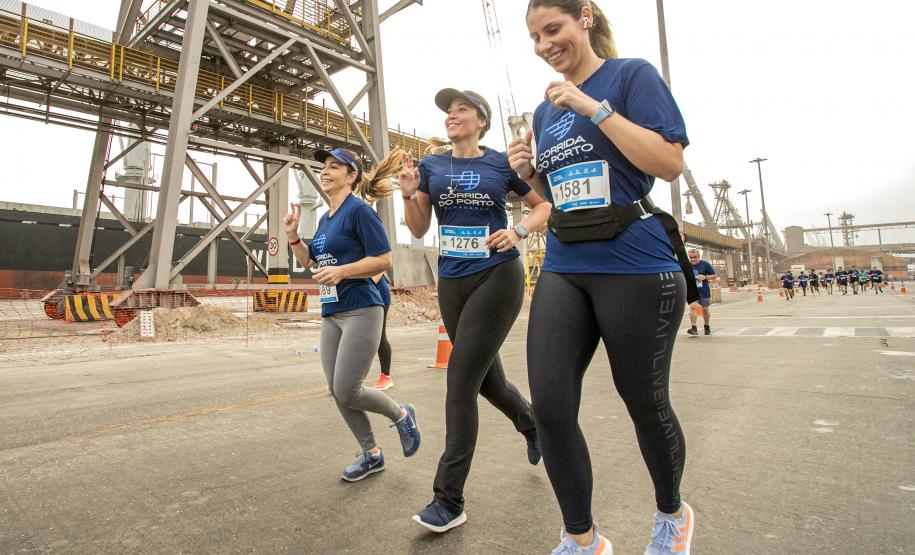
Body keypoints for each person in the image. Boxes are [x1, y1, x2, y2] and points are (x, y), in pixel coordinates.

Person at [514, 1, 699, 553]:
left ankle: (672, 514)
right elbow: (559, 195)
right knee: (549, 407)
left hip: (635, 264)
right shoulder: (546, 112)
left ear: (585, 18)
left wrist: (596, 110)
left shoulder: (631, 75)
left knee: (644, 402)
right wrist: (527, 173)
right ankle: (583, 538)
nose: (546, 45)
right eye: (535, 38)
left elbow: (668, 164)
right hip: (566, 264)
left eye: (554, 29)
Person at [399, 87, 552, 533]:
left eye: (461, 109)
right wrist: (409, 195)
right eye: (448, 111)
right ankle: (532, 423)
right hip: (452, 280)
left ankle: (448, 499)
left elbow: (542, 206)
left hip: (498, 275)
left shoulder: (502, 163)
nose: (452, 115)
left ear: (481, 121)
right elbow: (420, 226)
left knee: (460, 379)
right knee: (489, 380)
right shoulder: (430, 166)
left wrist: (518, 231)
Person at [285, 147, 421, 482]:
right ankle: (372, 454)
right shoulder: (326, 218)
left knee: (349, 389)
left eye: (335, 167)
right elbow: (311, 262)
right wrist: (293, 237)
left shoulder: (359, 212)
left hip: (362, 309)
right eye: (324, 167)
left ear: (351, 176)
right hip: (332, 312)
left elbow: (385, 259)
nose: (326, 171)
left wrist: (343, 272)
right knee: (337, 389)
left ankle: (402, 415)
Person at [371, 272, 394, 390]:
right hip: (359, 296)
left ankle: (386, 376)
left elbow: (380, 268)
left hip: (378, 294)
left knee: (379, 335)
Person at [686, 249, 716, 336]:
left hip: (704, 290)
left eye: (695, 257)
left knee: (705, 309)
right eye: (691, 257)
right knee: (692, 307)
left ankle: (706, 326)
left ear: (699, 256)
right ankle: (694, 328)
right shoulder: (686, 265)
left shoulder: (705, 264)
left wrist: (705, 277)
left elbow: (714, 276)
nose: (693, 259)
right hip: (692, 290)